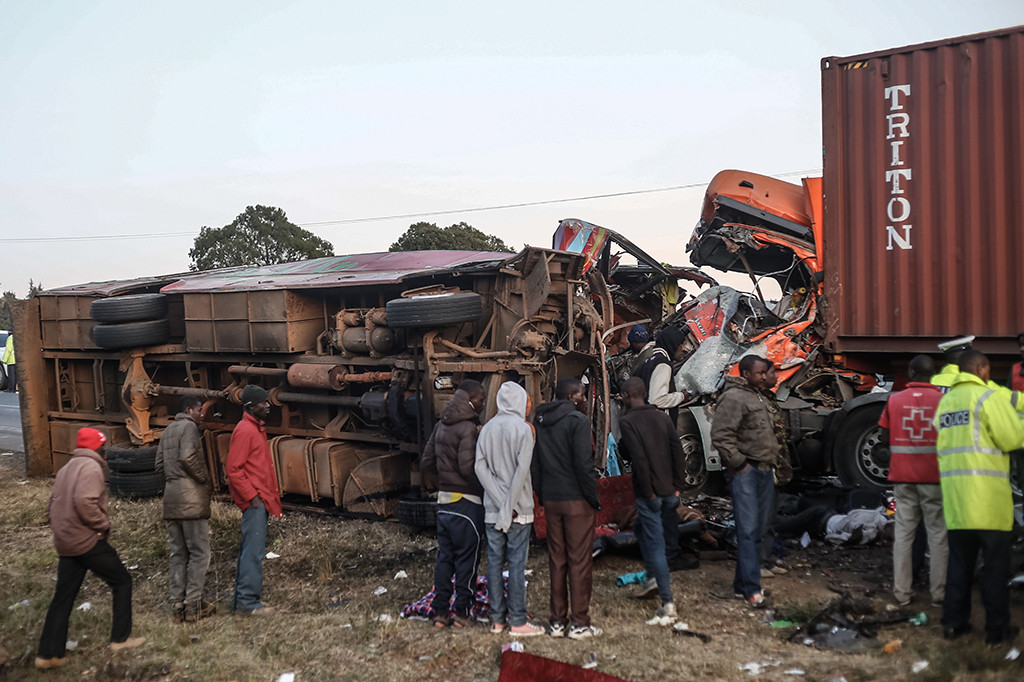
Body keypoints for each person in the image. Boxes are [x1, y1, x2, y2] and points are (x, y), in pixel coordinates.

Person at [36, 428, 145, 670]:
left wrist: (61, 531)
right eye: (103, 447)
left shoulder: (66, 468)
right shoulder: (91, 468)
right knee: (122, 581)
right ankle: (120, 639)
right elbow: (85, 501)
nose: (105, 451)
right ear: (98, 448)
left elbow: (52, 504)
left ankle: (48, 654)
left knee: (63, 598)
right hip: (87, 541)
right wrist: (102, 524)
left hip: (66, 542)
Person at [935, 350, 1024, 645]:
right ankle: (996, 631)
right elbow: (1012, 439)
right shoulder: (989, 397)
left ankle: (953, 624)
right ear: (981, 369)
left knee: (959, 566)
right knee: (995, 570)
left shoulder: (946, 402)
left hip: (957, 502)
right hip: (989, 503)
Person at [532, 377, 602, 639]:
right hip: (576, 499)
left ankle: (557, 621)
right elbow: (583, 464)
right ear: (571, 396)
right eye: (582, 394)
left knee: (557, 560)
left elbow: (536, 462)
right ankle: (580, 622)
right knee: (579, 561)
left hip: (551, 498)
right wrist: (593, 497)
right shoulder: (578, 421)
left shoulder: (540, 420)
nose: (584, 398)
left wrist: (542, 494)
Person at [473, 381, 544, 637]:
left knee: (493, 563)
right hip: (518, 509)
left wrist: (500, 501)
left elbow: (480, 467)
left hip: (492, 509)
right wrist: (510, 505)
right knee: (515, 565)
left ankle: (496, 620)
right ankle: (517, 621)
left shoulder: (487, 429)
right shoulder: (524, 430)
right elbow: (522, 471)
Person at [878, 355, 946, 607]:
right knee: (938, 536)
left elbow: (884, 438)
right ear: (933, 374)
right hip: (934, 477)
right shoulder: (944, 401)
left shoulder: (894, 400)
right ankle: (939, 593)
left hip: (903, 477)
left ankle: (902, 592)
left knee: (904, 535)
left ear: (911, 372)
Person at [617, 377, 686, 625]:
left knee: (656, 545)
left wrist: (649, 492)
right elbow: (678, 451)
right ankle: (650, 577)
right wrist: (678, 487)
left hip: (651, 494)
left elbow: (639, 458)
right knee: (640, 529)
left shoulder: (627, 421)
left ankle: (667, 603)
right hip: (670, 492)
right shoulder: (661, 417)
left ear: (627, 396)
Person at [710, 355, 778, 608]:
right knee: (748, 531)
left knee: (757, 529)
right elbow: (720, 435)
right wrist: (739, 463)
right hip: (746, 472)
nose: (764, 376)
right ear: (746, 374)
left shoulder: (758, 396)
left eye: (765, 372)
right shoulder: (734, 398)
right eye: (760, 373)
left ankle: (743, 584)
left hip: (764, 470)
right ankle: (752, 590)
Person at [421, 379, 487, 628]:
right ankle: (462, 613)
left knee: (445, 559)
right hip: (466, 503)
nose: (482, 404)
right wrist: (483, 488)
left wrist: (443, 480)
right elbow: (468, 468)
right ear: (470, 399)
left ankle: (440, 613)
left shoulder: (441, 425)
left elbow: (427, 461)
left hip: (444, 502)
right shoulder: (467, 428)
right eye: (481, 399)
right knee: (467, 561)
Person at [155, 395, 213, 622]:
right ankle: (193, 605)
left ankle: (177, 605)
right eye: (199, 410)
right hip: (191, 500)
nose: (202, 414)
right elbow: (187, 457)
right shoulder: (189, 428)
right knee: (200, 553)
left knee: (178, 554)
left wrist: (174, 480)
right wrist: (203, 478)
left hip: (171, 499)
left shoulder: (168, 430)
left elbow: (159, 465)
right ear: (189, 410)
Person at [226, 384, 282, 616]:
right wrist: (253, 498)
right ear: (250, 406)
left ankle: (243, 602)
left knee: (250, 550)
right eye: (263, 402)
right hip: (255, 502)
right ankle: (248, 604)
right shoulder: (246, 431)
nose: (268, 405)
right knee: (253, 552)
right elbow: (233, 469)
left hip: (258, 500)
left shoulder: (253, 428)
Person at [632, 325, 693, 415]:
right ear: (674, 344)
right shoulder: (663, 364)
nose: (684, 349)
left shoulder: (649, 361)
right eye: (682, 344)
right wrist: (682, 396)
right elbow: (657, 400)